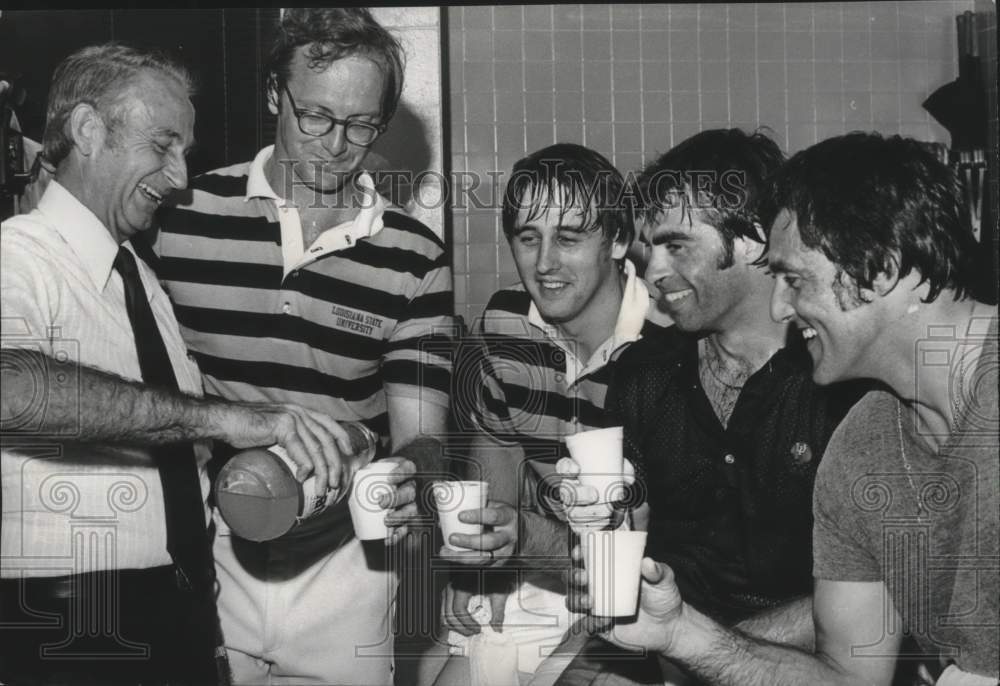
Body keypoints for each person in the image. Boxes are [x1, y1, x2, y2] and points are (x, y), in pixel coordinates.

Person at [577, 133, 998, 685]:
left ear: (882, 269)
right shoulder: (864, 445)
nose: (779, 305)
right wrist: (682, 634)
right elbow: (848, 678)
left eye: (794, 280)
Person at [1, 43, 353, 686]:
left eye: (184, 151)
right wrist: (227, 419)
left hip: (177, 610)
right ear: (86, 130)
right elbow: (12, 390)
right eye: (162, 145)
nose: (180, 176)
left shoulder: (140, 277)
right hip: (70, 622)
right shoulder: (17, 256)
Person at [151, 8, 454, 685]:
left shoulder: (416, 255)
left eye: (360, 125)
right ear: (272, 95)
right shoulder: (180, 216)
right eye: (314, 115)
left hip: (349, 566)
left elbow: (423, 433)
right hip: (208, 552)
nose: (336, 146)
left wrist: (413, 482)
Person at [548, 128, 865, 686]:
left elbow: (882, 602)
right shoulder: (644, 374)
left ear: (749, 240)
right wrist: (598, 532)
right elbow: (626, 543)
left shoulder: (838, 381)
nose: (651, 273)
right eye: (649, 249)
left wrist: (696, 652)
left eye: (676, 246)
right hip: (660, 642)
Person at [434, 143, 661, 685]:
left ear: (619, 240)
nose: (545, 263)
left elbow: (659, 538)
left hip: (642, 579)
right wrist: (475, 563)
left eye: (569, 237)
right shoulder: (505, 322)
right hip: (540, 564)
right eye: (528, 238)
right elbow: (499, 468)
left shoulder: (666, 337)